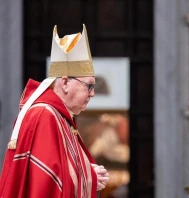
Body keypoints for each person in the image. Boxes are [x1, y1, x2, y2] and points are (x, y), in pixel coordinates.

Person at [0, 24, 109, 197]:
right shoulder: (45, 115)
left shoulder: (60, 117)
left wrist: (88, 170)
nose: (93, 93)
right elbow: (46, 182)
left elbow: (62, 169)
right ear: (65, 83)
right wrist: (89, 176)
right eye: (88, 86)